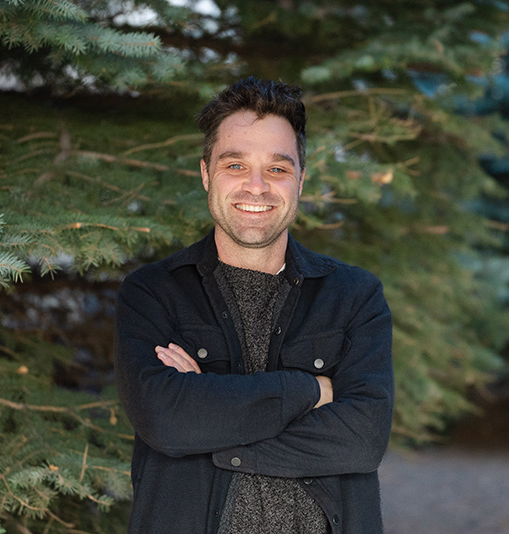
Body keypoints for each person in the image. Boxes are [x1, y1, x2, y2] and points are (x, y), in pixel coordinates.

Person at [114, 76, 395, 534]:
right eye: (236, 165)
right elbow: (166, 423)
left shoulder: (355, 296)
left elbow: (363, 440)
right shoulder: (152, 293)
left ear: (301, 180)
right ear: (206, 173)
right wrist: (312, 391)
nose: (257, 187)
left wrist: (211, 422)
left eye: (279, 169)